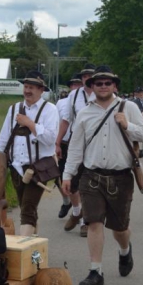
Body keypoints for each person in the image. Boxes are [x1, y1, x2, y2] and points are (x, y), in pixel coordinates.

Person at [61, 66, 143, 285]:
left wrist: (127, 125)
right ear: (92, 87)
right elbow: (75, 147)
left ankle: (125, 250)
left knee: (120, 229)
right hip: (91, 176)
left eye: (107, 83)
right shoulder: (85, 113)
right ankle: (95, 271)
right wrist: (68, 175)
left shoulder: (128, 107)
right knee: (93, 222)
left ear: (114, 86)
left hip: (120, 177)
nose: (102, 87)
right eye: (98, 83)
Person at [0, 70, 60, 235]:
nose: (27, 90)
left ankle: (22, 246)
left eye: (32, 87)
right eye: (26, 87)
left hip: (38, 170)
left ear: (41, 90)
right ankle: (34, 245)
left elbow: (50, 139)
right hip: (16, 168)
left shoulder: (50, 110)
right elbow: (3, 138)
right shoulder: (14, 109)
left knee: (27, 210)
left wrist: (30, 123)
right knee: (26, 208)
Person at [56, 64, 96, 237]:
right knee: (72, 181)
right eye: (84, 76)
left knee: (90, 183)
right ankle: (76, 211)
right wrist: (58, 142)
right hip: (76, 140)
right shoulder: (74, 95)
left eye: (90, 76)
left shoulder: (102, 94)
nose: (87, 79)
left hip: (96, 142)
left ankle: (85, 221)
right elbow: (66, 120)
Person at [54, 74, 83, 218]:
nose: (75, 87)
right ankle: (66, 202)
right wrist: (57, 142)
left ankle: (80, 212)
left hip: (81, 143)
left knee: (79, 178)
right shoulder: (61, 102)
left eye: (78, 84)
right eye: (73, 84)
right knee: (60, 176)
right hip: (65, 142)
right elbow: (59, 121)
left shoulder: (87, 99)